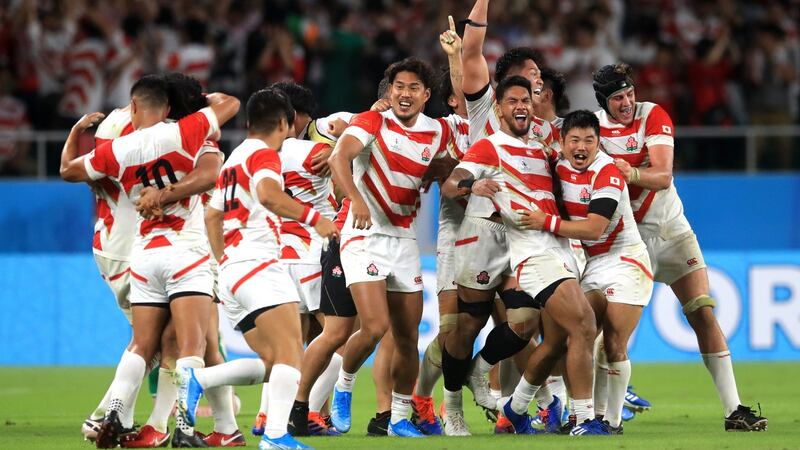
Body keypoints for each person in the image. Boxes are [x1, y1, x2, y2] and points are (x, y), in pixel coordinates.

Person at [60, 75, 240, 448]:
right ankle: (180, 426)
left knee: (149, 343)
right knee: (189, 344)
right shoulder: (191, 135)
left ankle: (122, 415)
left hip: (138, 252)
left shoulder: (119, 144)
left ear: (137, 107)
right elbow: (227, 116)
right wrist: (170, 190)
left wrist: (76, 133)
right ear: (175, 107)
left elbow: (69, 171)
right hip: (187, 252)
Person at [592, 63, 768, 432]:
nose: (626, 102)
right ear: (602, 102)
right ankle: (596, 414)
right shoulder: (591, 129)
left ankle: (734, 409)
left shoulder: (652, 114)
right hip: (629, 243)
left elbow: (663, 174)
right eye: (617, 98)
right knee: (607, 333)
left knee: (702, 312)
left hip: (672, 233)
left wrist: (631, 172)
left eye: (628, 94)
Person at [176, 87, 339, 450]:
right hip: (260, 265)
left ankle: (200, 379)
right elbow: (268, 195)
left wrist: (223, 263)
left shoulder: (233, 158)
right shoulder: (265, 156)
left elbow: (213, 215)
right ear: (285, 123)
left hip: (234, 271)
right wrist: (316, 219)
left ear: (249, 122)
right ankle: (276, 436)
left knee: (272, 362)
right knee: (292, 355)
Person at [442, 75, 605, 436]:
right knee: (468, 324)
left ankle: (480, 369)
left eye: (526, 100)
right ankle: (451, 406)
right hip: (484, 237)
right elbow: (451, 184)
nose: (521, 106)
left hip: (525, 242)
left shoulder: (542, 146)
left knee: (526, 321)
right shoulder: (489, 146)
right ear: (499, 108)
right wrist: (475, 184)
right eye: (512, 101)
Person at [327, 57, 453, 438]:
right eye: (399, 86)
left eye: (414, 87)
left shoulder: (437, 132)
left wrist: (442, 176)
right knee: (374, 326)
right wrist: (357, 199)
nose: (405, 93)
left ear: (426, 95)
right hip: (363, 234)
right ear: (389, 90)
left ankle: (399, 418)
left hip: (403, 238)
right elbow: (338, 158)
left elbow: (448, 165)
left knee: (407, 336)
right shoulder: (371, 121)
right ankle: (344, 387)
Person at [519, 109, 654, 433]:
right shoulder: (556, 166)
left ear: (598, 143)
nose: (581, 146)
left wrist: (546, 222)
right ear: (563, 143)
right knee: (575, 334)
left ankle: (612, 421)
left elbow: (594, 229)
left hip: (627, 261)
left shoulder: (606, 172)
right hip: (593, 265)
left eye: (589, 140)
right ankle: (580, 415)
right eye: (575, 139)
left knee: (614, 343)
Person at [411, 16, 470, 437]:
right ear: (450, 100)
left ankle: (509, 403)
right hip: (455, 233)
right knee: (451, 328)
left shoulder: (500, 127)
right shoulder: (443, 129)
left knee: (511, 320)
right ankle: (428, 399)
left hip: (500, 235)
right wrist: (455, 57)